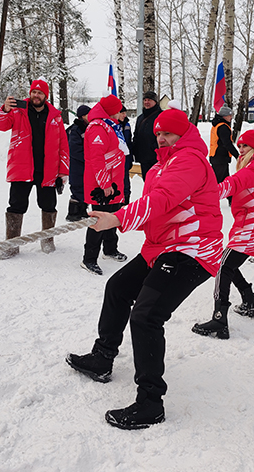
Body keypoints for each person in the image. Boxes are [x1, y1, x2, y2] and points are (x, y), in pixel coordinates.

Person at [67, 108, 223, 430]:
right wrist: (117, 211)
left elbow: (162, 200)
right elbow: (156, 209)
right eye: (158, 133)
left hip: (192, 250)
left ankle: (151, 403)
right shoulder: (159, 166)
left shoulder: (190, 161)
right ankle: (102, 358)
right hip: (162, 247)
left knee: (146, 316)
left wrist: (118, 219)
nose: (161, 138)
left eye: (168, 133)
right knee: (118, 288)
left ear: (183, 133)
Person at [192, 129, 254, 340]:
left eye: (245, 146)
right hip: (250, 224)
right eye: (239, 146)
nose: (241, 150)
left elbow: (234, 183)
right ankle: (249, 300)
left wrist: (207, 194)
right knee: (227, 263)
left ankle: (219, 319)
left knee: (223, 266)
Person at [0, 79, 69, 259]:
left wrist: (63, 170)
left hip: (47, 170)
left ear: (45, 96)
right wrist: (4, 110)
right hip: (22, 168)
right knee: (16, 205)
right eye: (34, 92)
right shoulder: (18, 111)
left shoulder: (55, 116)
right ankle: (11, 244)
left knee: (49, 205)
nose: (36, 95)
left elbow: (63, 146)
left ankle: (47, 240)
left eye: (40, 93)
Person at [81, 94, 129, 275]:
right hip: (102, 185)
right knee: (98, 220)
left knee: (113, 216)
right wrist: (104, 183)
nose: (120, 113)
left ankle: (110, 249)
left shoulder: (110, 125)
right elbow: (97, 158)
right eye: (118, 110)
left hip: (113, 182)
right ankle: (89, 259)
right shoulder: (98, 127)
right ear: (111, 111)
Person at [66, 104, 91, 222]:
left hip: (85, 165)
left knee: (85, 187)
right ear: (82, 116)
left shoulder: (87, 128)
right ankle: (73, 212)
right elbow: (74, 149)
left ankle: (82, 209)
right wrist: (88, 157)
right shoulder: (75, 129)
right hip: (77, 165)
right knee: (77, 187)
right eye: (88, 114)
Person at [132, 90, 162, 180]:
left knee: (157, 181)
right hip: (143, 157)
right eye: (145, 100)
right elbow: (136, 135)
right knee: (147, 180)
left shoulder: (161, 116)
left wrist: (155, 147)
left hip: (157, 157)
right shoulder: (140, 118)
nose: (146, 102)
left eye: (149, 100)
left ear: (155, 102)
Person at [209, 104, 240, 185]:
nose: (231, 117)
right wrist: (237, 155)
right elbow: (227, 144)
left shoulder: (217, 125)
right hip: (220, 158)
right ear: (224, 116)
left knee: (223, 181)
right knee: (220, 182)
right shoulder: (223, 127)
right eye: (229, 116)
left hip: (216, 156)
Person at [117, 105, 133, 204]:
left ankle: (126, 203)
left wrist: (130, 158)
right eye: (122, 113)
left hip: (126, 159)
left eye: (125, 113)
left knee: (126, 184)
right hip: (116, 160)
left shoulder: (127, 125)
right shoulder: (113, 125)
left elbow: (129, 143)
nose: (124, 115)